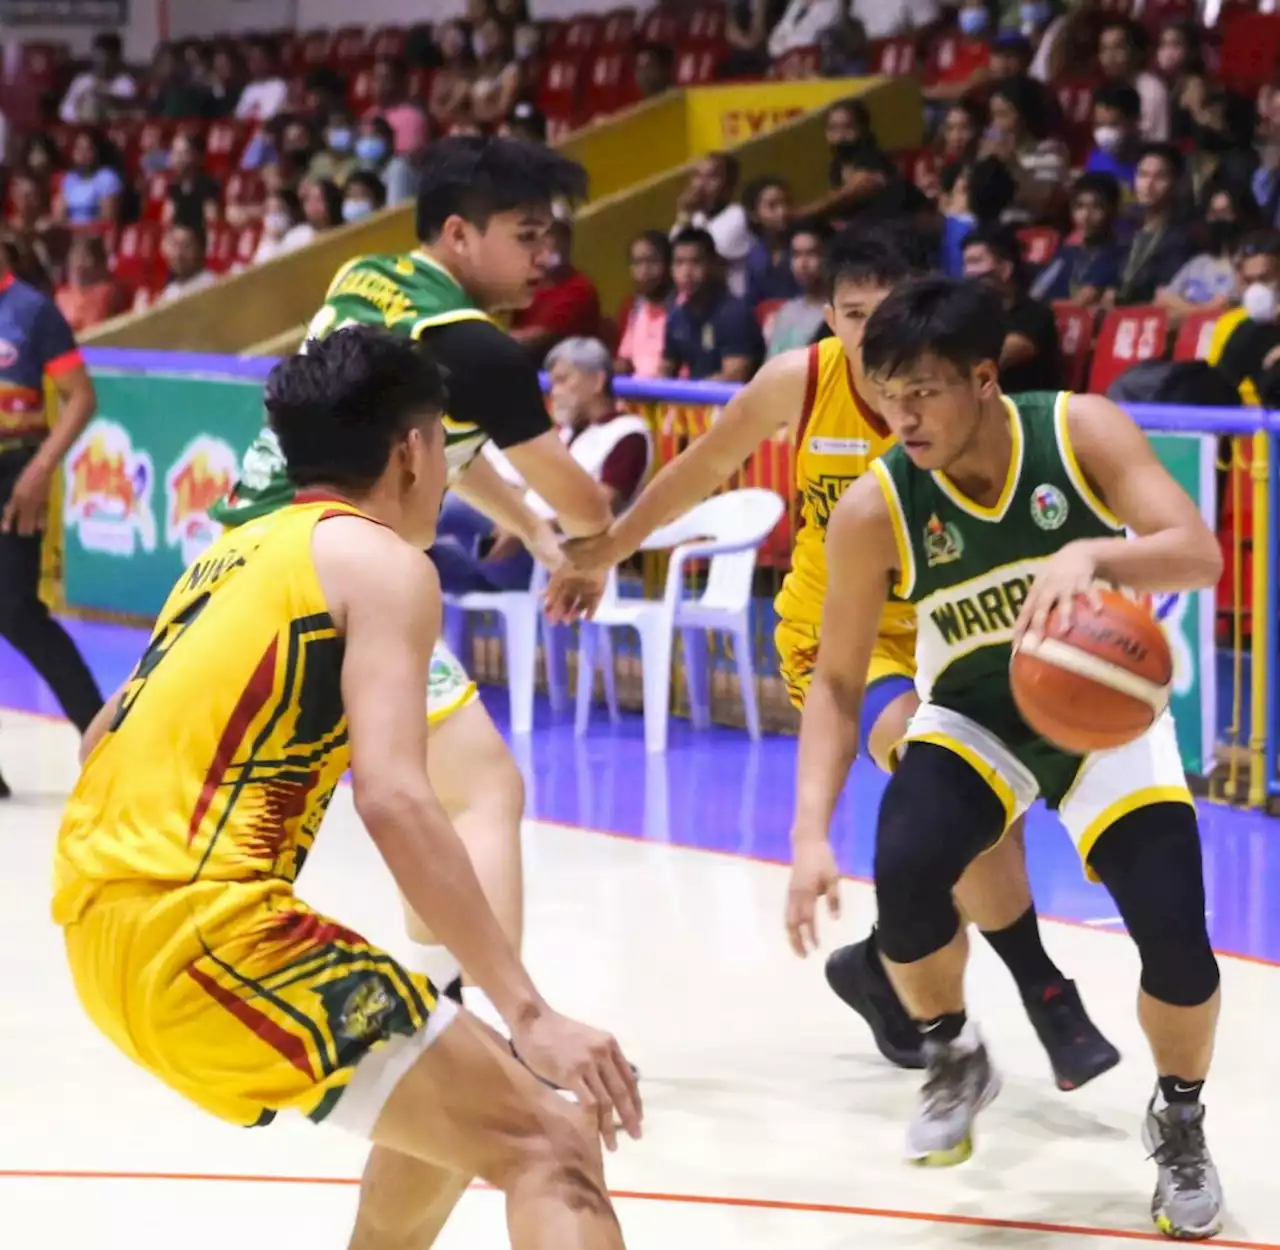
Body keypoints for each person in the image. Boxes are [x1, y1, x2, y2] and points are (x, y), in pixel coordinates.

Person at [54, 325, 641, 1250]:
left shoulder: (224, 561)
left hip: (102, 932)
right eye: (444, 446)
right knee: (554, 1139)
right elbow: (395, 797)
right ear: (413, 450)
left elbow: (99, 741)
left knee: (454, 1123)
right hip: (206, 928)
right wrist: (529, 1010)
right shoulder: (384, 563)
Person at [563, 226, 1117, 1089]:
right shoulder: (802, 380)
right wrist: (607, 547)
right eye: (850, 316)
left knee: (967, 823)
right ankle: (1046, 995)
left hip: (950, 634)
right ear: (826, 317)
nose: (866, 335)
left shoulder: (953, 399)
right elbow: (702, 466)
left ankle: (880, 966)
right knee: (970, 795)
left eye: (882, 315)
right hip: (838, 642)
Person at [787, 274, 1223, 1238]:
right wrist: (807, 831)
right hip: (977, 717)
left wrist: (1097, 559)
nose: (902, 413)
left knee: (1177, 937)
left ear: (985, 379)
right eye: (885, 389)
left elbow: (1200, 554)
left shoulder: (1082, 431)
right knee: (901, 868)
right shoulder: (876, 505)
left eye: (924, 390)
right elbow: (836, 681)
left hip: (1106, 723)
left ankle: (1180, 1120)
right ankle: (952, 1052)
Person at [210, 136, 615, 1117]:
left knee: (446, 789)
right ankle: (507, 1038)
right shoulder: (480, 349)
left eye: (550, 238)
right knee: (480, 788)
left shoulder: (367, 275)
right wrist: (591, 543)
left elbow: (446, 447)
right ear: (459, 232)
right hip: (330, 575)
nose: (543, 260)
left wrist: (532, 534)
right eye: (525, 237)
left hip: (241, 558)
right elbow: (582, 493)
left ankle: (441, 999)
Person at [0, 247, 103, 797]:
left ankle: (103, 740)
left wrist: (41, 468)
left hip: (16, 474)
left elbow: (82, 397)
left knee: (17, 613)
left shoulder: (31, 310)